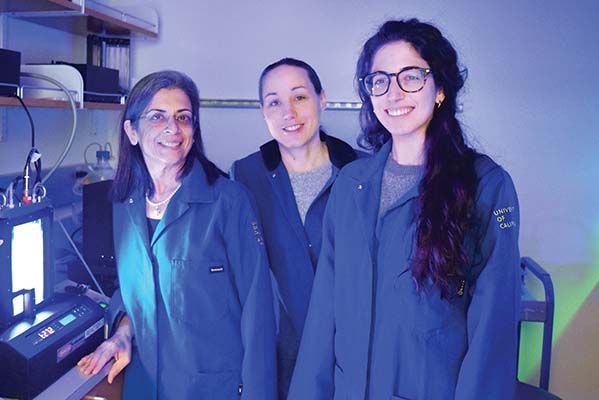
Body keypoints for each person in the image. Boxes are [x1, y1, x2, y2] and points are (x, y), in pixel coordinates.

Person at [288, 19, 520, 400]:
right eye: (379, 80)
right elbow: (324, 313)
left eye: (410, 76)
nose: (393, 93)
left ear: (440, 87)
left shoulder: (485, 185)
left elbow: (492, 331)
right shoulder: (351, 184)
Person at [77, 70, 277, 400]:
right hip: (145, 383)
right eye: (157, 117)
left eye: (183, 117)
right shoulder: (125, 203)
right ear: (132, 130)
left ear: (194, 130)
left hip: (211, 388)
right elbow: (133, 290)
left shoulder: (228, 201)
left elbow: (259, 315)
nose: (173, 129)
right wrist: (122, 334)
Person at [231, 58, 360, 398]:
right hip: (283, 354)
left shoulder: (363, 172)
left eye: (300, 97)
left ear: (322, 99)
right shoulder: (246, 176)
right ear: (263, 112)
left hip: (351, 349)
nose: (288, 112)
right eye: (274, 102)